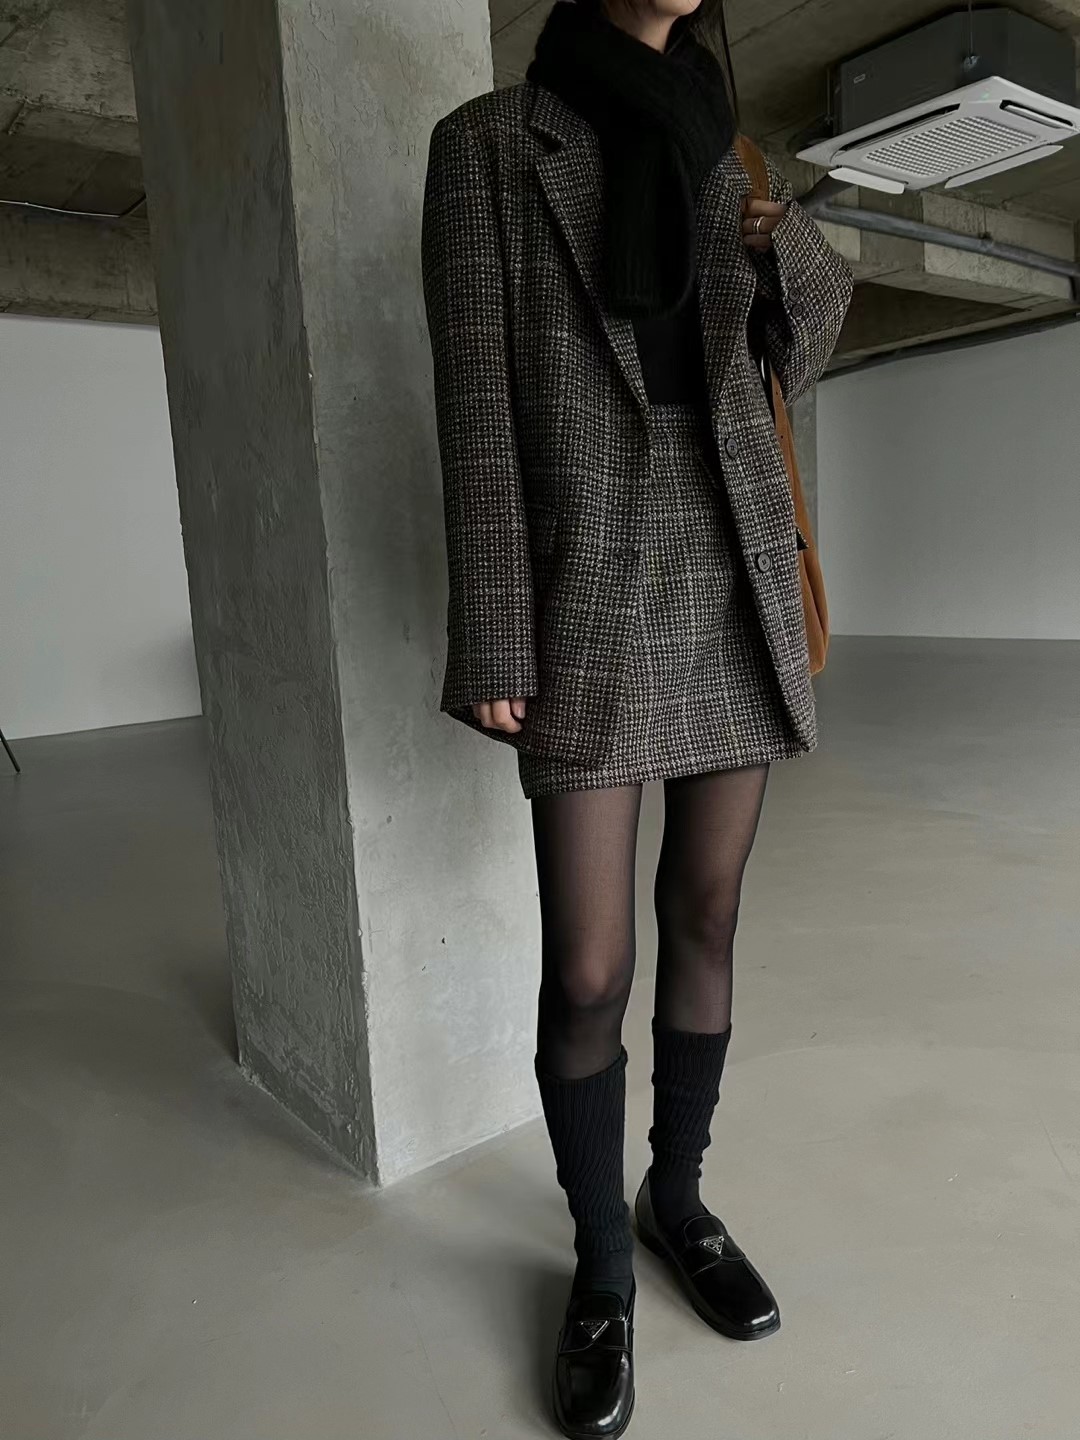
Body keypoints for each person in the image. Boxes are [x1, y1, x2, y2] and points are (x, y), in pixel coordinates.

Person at [422, 1, 852, 1434]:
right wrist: (496, 628)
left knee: (709, 912)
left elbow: (805, 345)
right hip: (590, 573)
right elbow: (477, 400)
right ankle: (602, 1264)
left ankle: (678, 1199)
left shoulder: (728, 147)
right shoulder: (493, 143)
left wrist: (782, 246)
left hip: (732, 556)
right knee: (592, 968)